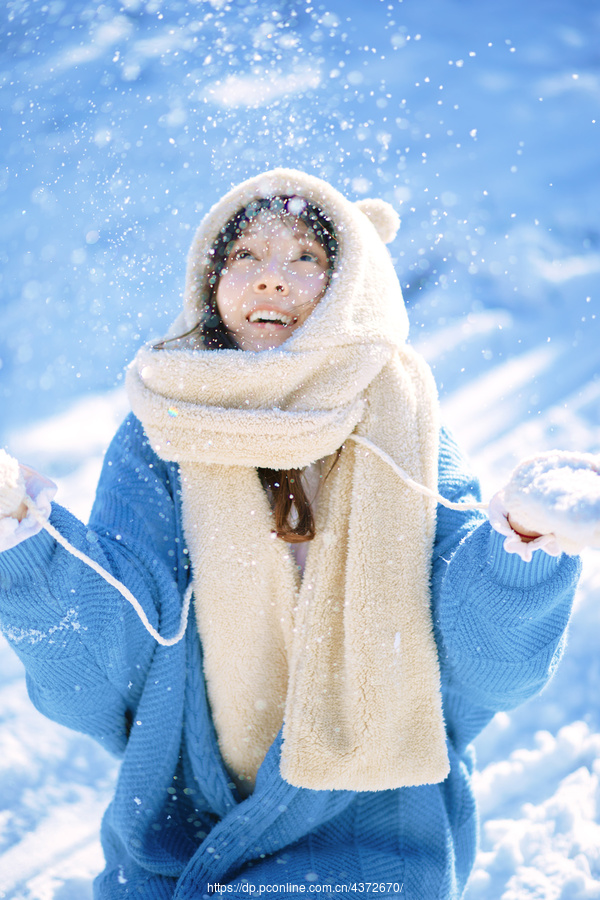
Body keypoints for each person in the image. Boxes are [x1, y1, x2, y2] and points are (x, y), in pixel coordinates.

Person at [0, 168, 593, 899]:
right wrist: (23, 543)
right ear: (210, 281)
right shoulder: (163, 430)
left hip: (369, 846)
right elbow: (113, 655)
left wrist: (523, 544)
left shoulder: (403, 424)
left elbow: (478, 658)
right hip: (187, 836)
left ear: (350, 288)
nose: (270, 280)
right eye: (244, 256)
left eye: (304, 259)